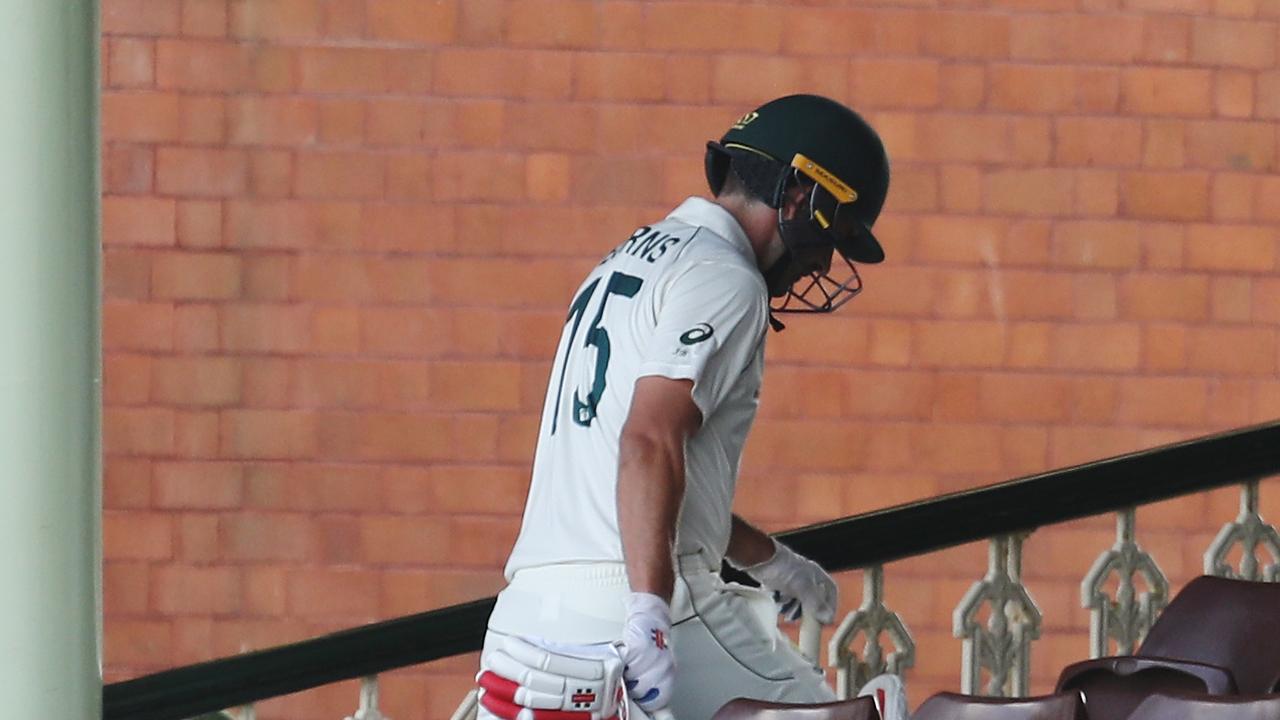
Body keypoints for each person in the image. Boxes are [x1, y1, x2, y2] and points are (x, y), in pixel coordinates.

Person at [475, 94, 892, 720]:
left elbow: (662, 486)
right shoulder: (728, 278)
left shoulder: (626, 259)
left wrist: (775, 563)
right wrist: (648, 610)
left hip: (524, 619)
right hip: (636, 604)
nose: (826, 261)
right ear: (804, 200)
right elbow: (648, 442)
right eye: (835, 236)